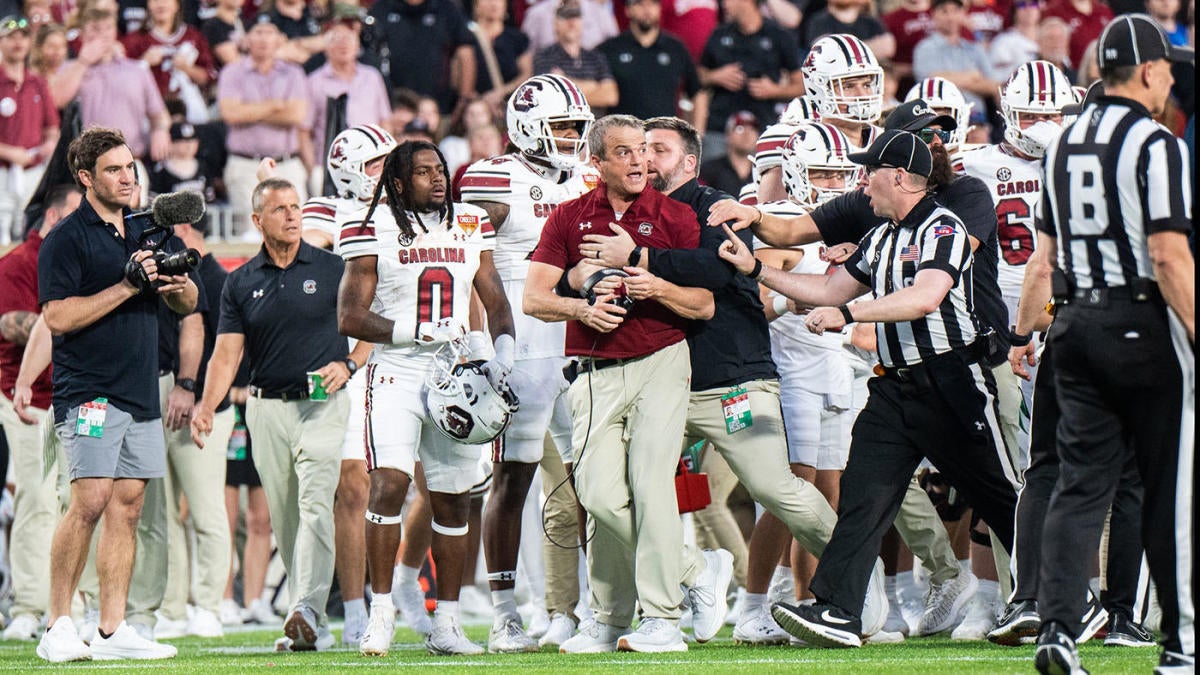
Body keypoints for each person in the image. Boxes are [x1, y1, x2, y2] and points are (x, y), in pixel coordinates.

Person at [574, 116, 890, 647]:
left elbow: (718, 271)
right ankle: (616, 614)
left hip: (731, 377)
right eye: (640, 149)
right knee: (615, 493)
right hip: (660, 380)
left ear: (691, 161)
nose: (646, 159)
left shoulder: (715, 206)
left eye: (661, 150)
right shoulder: (629, 213)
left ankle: (859, 572)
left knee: (777, 488)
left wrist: (635, 257)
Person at [719, 129, 1018, 648]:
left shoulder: (943, 227)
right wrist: (756, 269)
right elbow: (827, 289)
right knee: (862, 497)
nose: (862, 183)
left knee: (997, 494)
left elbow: (924, 297)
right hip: (895, 388)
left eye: (870, 172)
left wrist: (848, 313)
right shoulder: (883, 235)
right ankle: (838, 610)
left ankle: (1063, 597)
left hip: (952, 380)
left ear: (899, 177)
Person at [1028, 15, 1193, 675]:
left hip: (1073, 323)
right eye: (1168, 70)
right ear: (1150, 71)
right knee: (1168, 490)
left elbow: (1043, 261)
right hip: (1143, 322)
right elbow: (1169, 254)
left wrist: (1028, 331)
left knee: (1078, 485)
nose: (1172, 82)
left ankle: (1058, 629)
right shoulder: (1157, 145)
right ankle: (1180, 642)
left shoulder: (1060, 144)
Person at [523, 114, 715, 653]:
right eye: (625, 152)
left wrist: (655, 286)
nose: (639, 161)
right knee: (599, 496)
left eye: (643, 151)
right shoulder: (567, 217)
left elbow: (703, 304)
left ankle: (661, 621)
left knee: (651, 487)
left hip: (661, 359)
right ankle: (689, 572)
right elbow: (534, 299)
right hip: (593, 369)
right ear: (598, 163)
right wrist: (581, 308)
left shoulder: (676, 217)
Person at [335, 140, 516, 657]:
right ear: (396, 182)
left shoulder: (469, 222)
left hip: (456, 370)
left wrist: (499, 352)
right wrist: (414, 329)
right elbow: (349, 316)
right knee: (389, 484)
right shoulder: (372, 225)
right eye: (423, 172)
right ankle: (382, 612)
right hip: (396, 367)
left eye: (441, 169)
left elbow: (495, 298)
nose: (438, 179)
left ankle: (449, 622)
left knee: (454, 496)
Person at [34, 127, 196, 662]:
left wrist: (181, 288)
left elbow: (185, 304)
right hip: (90, 392)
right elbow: (56, 316)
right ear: (85, 178)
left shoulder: (146, 230)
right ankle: (57, 624)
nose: (127, 177)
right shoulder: (66, 238)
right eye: (114, 169)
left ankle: (111, 628)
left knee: (128, 507)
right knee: (89, 500)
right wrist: (126, 286)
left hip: (141, 389)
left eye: (130, 167)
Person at [458, 73, 597, 653]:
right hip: (518, 339)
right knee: (513, 482)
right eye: (562, 125)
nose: (571, 137)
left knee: (592, 478)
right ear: (528, 127)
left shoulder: (586, 178)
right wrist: (478, 346)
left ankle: (589, 605)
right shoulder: (495, 177)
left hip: (578, 338)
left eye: (576, 127)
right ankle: (504, 612)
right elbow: (471, 266)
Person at [190, 177, 354, 652]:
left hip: (323, 404)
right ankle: (313, 625)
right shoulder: (240, 282)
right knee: (285, 517)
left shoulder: (332, 268)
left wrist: (350, 363)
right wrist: (206, 407)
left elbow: (368, 318)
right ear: (257, 220)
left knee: (315, 503)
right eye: (279, 208)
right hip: (265, 408)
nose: (291, 215)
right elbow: (225, 355)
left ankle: (304, 607)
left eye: (295, 206)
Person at [297, 123, 396, 645]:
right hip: (351, 358)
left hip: (405, 355)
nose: (389, 171)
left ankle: (405, 594)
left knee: (427, 484)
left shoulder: (411, 207)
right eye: (378, 164)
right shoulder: (327, 211)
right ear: (350, 173)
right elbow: (302, 256)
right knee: (353, 485)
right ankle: (355, 607)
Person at [0, 184, 80, 643]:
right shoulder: (17, 264)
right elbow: (13, 323)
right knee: (36, 498)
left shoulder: (79, 258)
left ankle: (75, 603)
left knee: (80, 503)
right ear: (52, 218)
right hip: (26, 399)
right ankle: (30, 606)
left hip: (74, 397)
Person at [216, 16, 308, 236]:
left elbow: (296, 115)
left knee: (295, 231)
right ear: (246, 39)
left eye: (269, 32)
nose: (263, 38)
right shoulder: (232, 72)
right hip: (245, 164)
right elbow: (231, 114)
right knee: (249, 234)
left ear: (279, 39)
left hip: (287, 163)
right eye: (258, 32)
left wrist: (250, 111)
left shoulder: (294, 72)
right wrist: (276, 106)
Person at [696, 0, 804, 158]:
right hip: (720, 130)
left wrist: (775, 91)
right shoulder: (719, 34)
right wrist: (715, 76)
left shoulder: (778, 36)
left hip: (763, 130)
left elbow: (801, 85)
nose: (723, 4)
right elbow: (697, 76)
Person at [299, 11, 390, 195]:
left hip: (371, 166)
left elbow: (385, 122)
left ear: (358, 45)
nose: (344, 44)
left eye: (349, 39)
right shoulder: (314, 81)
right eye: (337, 39)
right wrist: (313, 169)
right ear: (326, 47)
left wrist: (386, 161)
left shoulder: (372, 77)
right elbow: (303, 131)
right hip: (328, 167)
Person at [0, 14, 59, 245]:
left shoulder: (37, 82)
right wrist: (9, 152)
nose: (18, 42)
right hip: (3, 171)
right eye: (10, 37)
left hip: (33, 170)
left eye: (23, 37)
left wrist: (49, 144)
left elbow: (52, 126)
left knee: (28, 229)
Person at [597, 0, 701, 121]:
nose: (647, 9)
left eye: (653, 3)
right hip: (622, 135)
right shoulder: (609, 49)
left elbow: (697, 92)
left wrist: (697, 133)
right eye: (639, 3)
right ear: (627, 10)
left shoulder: (676, 48)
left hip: (664, 133)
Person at [367, 0, 476, 114]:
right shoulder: (380, 8)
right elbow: (368, 54)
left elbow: (465, 53)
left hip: (439, 109)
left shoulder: (447, 8)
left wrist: (464, 101)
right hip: (393, 109)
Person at [912, 0, 1005, 126]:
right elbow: (929, 81)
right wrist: (973, 77)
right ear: (934, 14)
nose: (950, 17)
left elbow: (993, 86)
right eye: (944, 11)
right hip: (942, 120)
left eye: (955, 11)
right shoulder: (924, 48)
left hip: (978, 120)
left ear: (963, 13)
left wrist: (951, 78)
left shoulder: (974, 49)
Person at [118, 0, 216, 118]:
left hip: (189, 107)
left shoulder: (193, 36)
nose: (161, 4)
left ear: (177, 5)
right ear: (148, 5)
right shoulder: (134, 40)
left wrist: (186, 68)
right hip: (150, 110)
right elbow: (119, 80)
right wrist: (143, 62)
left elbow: (208, 77)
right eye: (155, 1)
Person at [801, 33, 886, 149]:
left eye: (866, 85)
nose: (863, 95)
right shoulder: (806, 147)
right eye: (848, 87)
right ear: (818, 91)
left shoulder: (885, 142)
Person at [531, 0, 619, 113]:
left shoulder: (596, 57)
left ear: (582, 22)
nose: (571, 23)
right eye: (565, 17)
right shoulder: (544, 56)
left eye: (576, 17)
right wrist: (593, 86)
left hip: (595, 127)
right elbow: (551, 97)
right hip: (563, 126)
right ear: (555, 24)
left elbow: (610, 97)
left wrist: (566, 81)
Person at [699, 111, 758, 196]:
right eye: (740, 128)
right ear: (728, 135)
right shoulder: (709, 170)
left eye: (753, 129)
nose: (747, 134)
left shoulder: (762, 172)